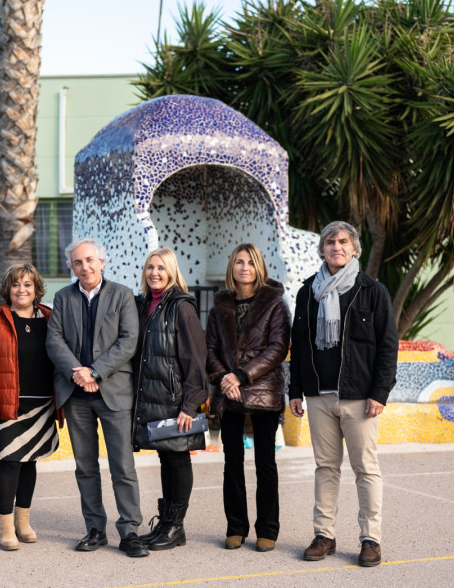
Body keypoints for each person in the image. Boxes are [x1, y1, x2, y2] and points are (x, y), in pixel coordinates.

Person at [289, 221, 399, 567]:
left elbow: (387, 347)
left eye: (343, 242)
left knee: (366, 469)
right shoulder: (308, 292)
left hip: (359, 397)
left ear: (354, 249)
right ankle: (324, 535)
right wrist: (295, 390)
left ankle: (371, 540)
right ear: (323, 249)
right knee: (325, 468)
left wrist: (380, 392)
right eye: (330, 242)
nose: (336, 247)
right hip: (319, 396)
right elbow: (299, 344)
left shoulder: (372, 291)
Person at [45, 238, 147, 558]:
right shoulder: (63, 297)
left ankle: (130, 531)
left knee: (122, 465)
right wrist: (78, 373)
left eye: (90, 260)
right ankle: (95, 529)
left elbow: (129, 342)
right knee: (85, 466)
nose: (85, 267)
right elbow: (54, 340)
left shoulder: (122, 294)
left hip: (114, 391)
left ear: (102, 262)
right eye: (78, 262)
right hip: (76, 393)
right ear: (71, 267)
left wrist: (95, 372)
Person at [205, 243, 290, 553]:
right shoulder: (219, 306)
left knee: (265, 463)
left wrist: (241, 376)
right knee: (233, 464)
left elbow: (278, 348)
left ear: (259, 268)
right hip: (229, 394)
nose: (244, 268)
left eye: (250, 263)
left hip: (263, 390)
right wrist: (225, 379)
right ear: (232, 267)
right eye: (239, 262)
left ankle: (267, 529)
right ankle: (235, 527)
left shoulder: (275, 304)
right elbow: (210, 349)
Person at [0, 264, 59, 551]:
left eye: (28, 285)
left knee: (30, 461)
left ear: (37, 289)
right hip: (9, 405)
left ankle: (23, 521)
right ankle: (6, 525)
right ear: (8, 289)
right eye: (16, 284)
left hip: (42, 403)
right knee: (10, 462)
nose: (22, 290)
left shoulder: (49, 317)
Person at [131, 248, 206, 551]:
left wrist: (190, 404)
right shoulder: (143, 304)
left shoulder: (181, 306)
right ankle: (166, 523)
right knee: (166, 457)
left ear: (172, 271)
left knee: (177, 458)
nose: (154, 273)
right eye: (150, 267)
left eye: (161, 268)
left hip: (176, 401)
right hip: (152, 397)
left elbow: (196, 359)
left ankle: (176, 527)